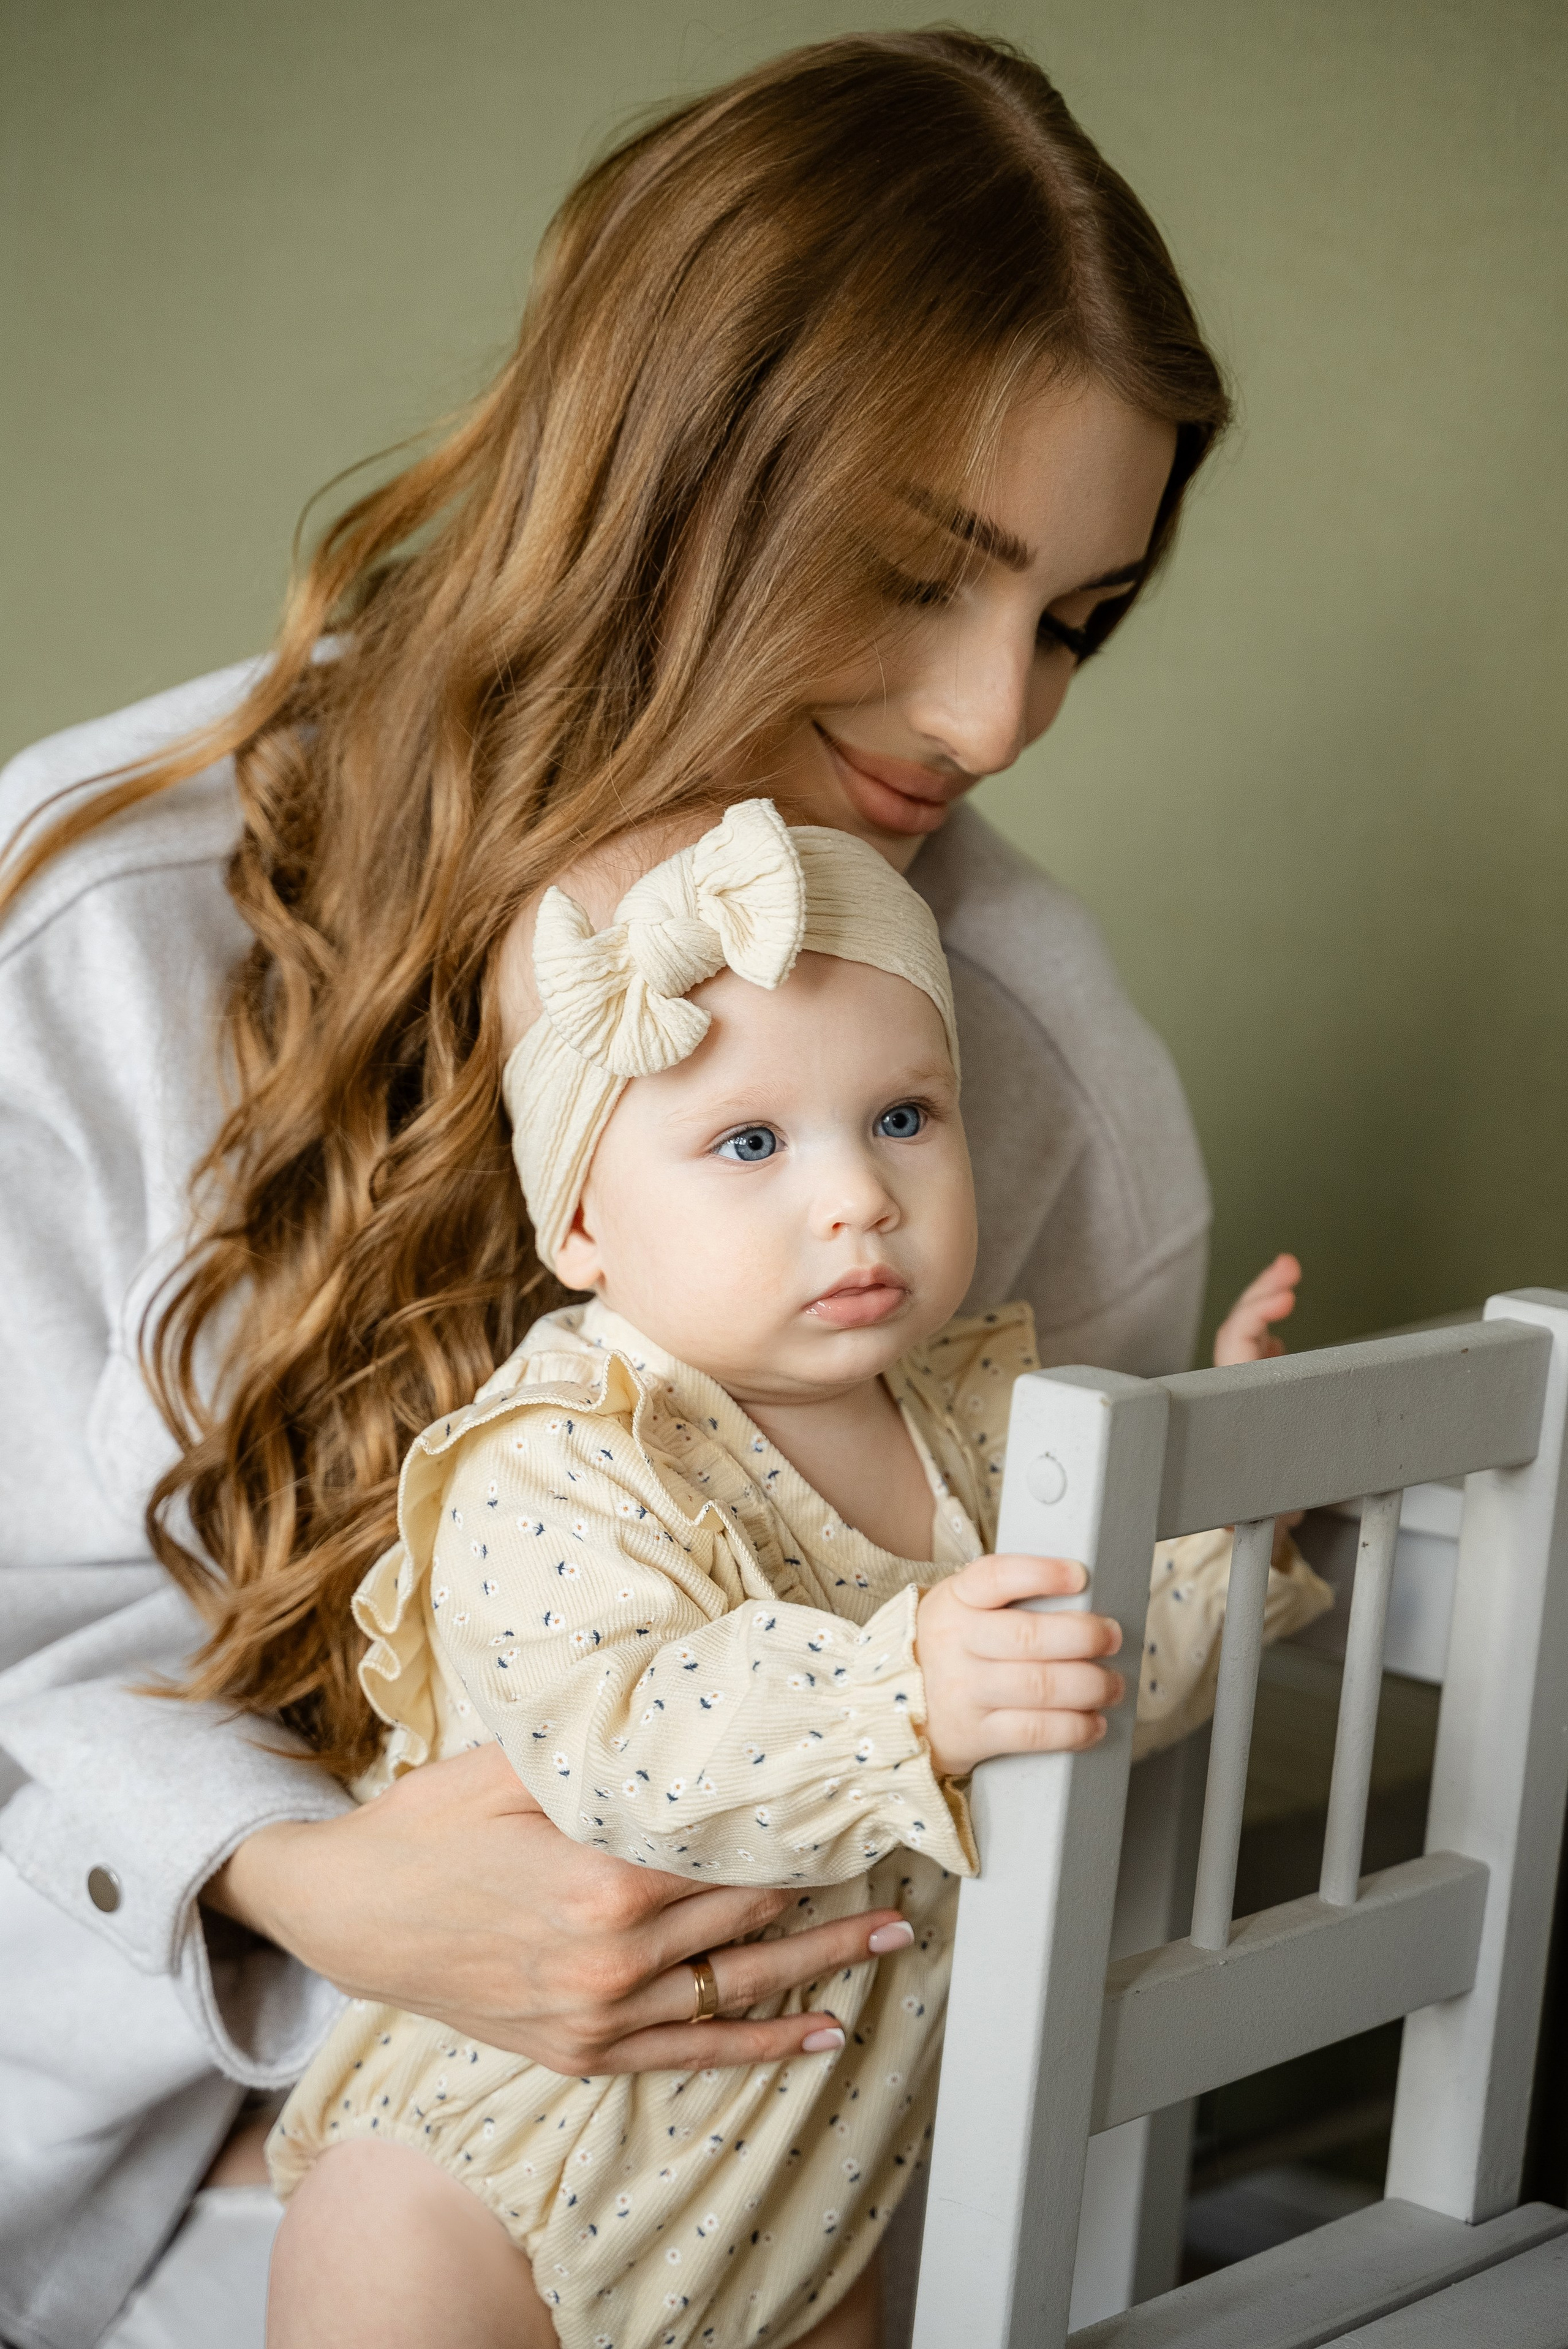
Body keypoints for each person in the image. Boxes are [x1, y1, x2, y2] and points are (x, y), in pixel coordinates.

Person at [0, 29, 1247, 2347]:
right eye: (926, 573)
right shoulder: (95, 937)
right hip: (103, 2163)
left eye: (1079, 617)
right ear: (664, 473)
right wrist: (301, 1876)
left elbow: (1072, 1814)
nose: (995, 716)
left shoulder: (1032, 1068)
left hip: (766, 2213)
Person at [260, 804, 1325, 2348]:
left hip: (799, 2204)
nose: (857, 1197)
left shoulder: (980, 1425)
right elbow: (626, 1746)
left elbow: (1086, 1670)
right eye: (749, 1142)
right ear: (579, 1223)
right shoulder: (565, 1455)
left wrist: (1236, 1518)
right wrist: (908, 1691)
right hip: (498, 2169)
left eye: (903, 1116)